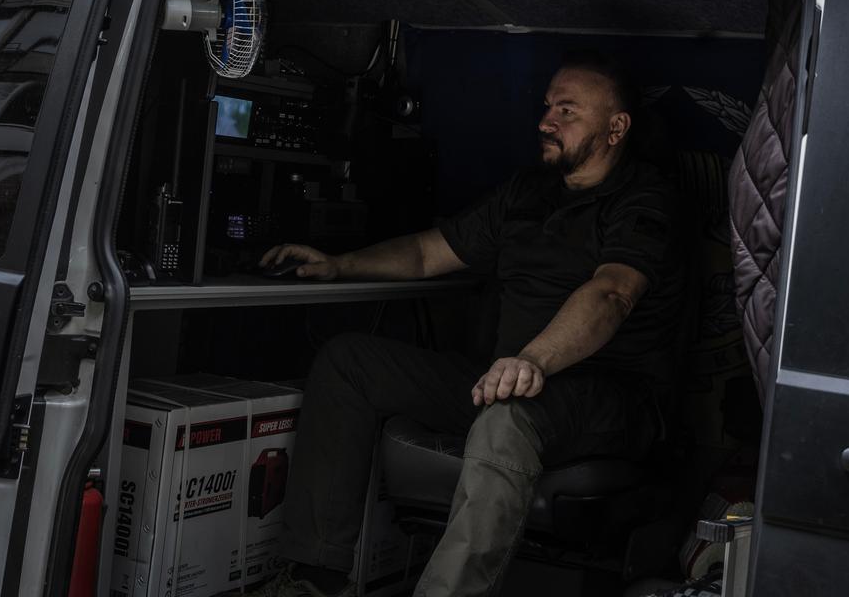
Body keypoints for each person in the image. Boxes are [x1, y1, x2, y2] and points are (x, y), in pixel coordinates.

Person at [260, 50, 684, 597]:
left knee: (507, 414)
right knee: (349, 363)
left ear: (616, 128)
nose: (546, 121)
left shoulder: (645, 200)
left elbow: (613, 293)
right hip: (509, 379)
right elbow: (425, 253)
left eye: (567, 111)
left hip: (608, 397)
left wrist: (530, 361)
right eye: (546, 107)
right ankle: (313, 577)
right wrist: (340, 264)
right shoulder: (527, 192)